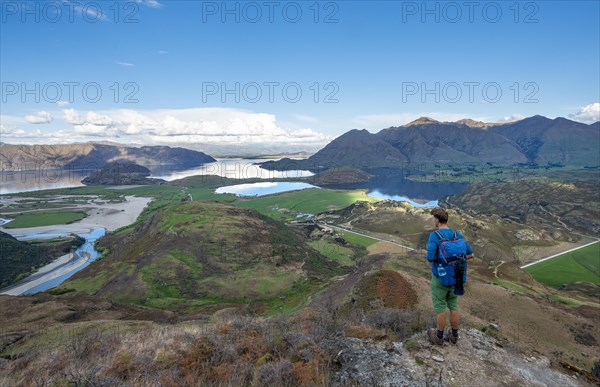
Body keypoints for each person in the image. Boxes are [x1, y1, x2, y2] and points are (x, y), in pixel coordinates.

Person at [426, 208, 474, 345]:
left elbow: (429, 257)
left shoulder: (435, 236)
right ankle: (454, 336)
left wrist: (443, 262)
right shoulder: (457, 235)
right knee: (453, 305)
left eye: (433, 218)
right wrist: (455, 261)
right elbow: (471, 254)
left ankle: (439, 337)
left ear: (436, 219)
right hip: (456, 277)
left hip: (440, 278)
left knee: (440, 307)